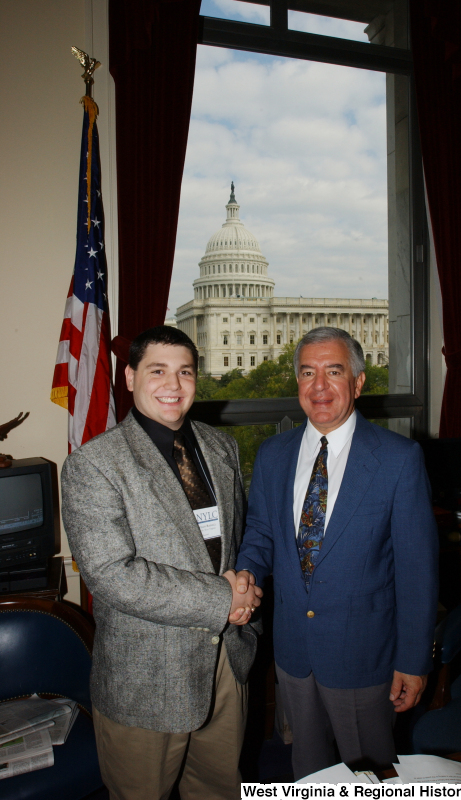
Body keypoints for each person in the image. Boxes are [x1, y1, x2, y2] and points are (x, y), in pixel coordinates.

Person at [61, 325, 262, 800]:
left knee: (219, 790)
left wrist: (245, 582)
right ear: (129, 377)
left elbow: (233, 539)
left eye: (185, 372)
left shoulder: (220, 447)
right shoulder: (95, 464)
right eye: (157, 370)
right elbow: (113, 575)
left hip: (227, 662)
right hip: (148, 677)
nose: (173, 384)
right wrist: (222, 598)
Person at [235, 327, 438, 779]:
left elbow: (417, 570)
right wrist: (246, 575)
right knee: (307, 770)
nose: (319, 386)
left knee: (371, 774)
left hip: (365, 657)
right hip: (293, 655)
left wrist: (413, 660)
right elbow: (261, 534)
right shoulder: (272, 454)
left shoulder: (398, 459)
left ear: (359, 382)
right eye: (308, 372)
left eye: (333, 371)